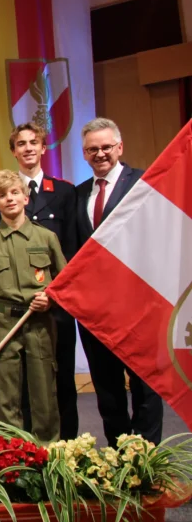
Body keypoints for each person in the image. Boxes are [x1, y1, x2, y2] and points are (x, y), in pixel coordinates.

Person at [74, 118, 162, 446]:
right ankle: (119, 459)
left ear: (119, 147)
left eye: (106, 147)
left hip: (138, 308)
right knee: (107, 390)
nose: (100, 154)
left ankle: (146, 459)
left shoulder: (145, 184)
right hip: (96, 314)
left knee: (144, 387)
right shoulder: (78, 194)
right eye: (92, 149)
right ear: (84, 154)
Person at [0, 170, 67, 442]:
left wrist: (51, 298)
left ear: (26, 197)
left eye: (14, 193)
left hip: (39, 325)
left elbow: (65, 283)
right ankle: (12, 457)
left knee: (44, 394)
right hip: (2, 324)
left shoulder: (46, 238)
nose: (9, 199)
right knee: (6, 396)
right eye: (1, 195)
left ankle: (48, 454)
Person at [8, 123, 80, 440]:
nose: (27, 148)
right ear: (14, 151)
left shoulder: (64, 192)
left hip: (58, 301)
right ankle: (29, 447)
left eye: (33, 142)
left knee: (62, 375)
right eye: (21, 144)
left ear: (43, 148)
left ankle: (70, 444)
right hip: (20, 302)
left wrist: (57, 292)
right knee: (24, 379)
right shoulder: (5, 191)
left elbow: (73, 248)